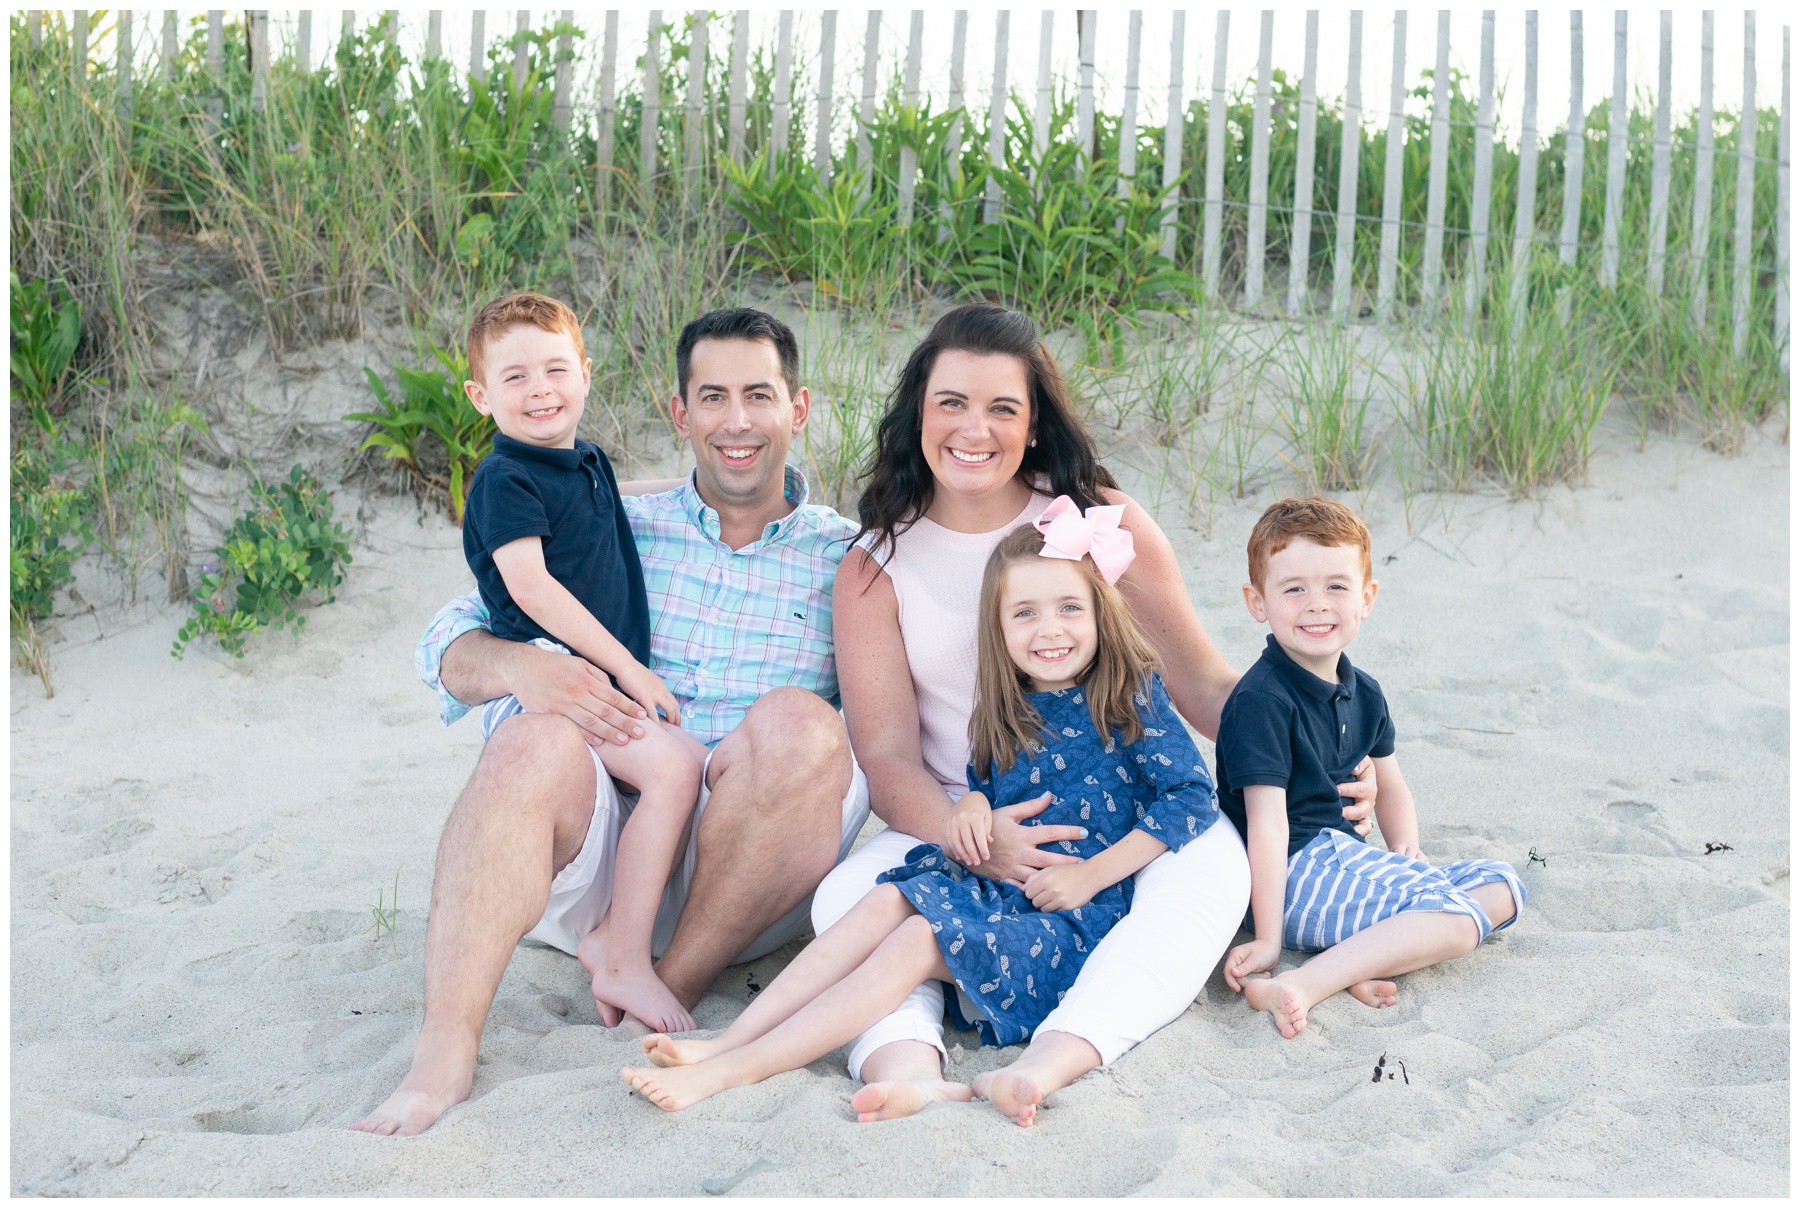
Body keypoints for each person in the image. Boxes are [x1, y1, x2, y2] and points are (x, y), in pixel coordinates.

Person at [815, 303, 1378, 1128]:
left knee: (1211, 876)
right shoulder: (874, 566)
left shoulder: (1095, 524)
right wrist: (974, 836)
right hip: (962, 817)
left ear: (1035, 423)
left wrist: (1325, 748)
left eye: (1003, 407)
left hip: (1128, 816)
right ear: (917, 413)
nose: (975, 428)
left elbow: (1203, 685)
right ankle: (910, 1066)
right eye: (952, 403)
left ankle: (1053, 1058)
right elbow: (890, 759)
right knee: (843, 901)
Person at [353, 308, 868, 1136]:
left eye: (758, 396)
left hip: (751, 868)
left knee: (804, 726)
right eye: (711, 397)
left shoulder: (849, 556)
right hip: (599, 854)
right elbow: (446, 642)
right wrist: (528, 668)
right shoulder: (616, 517)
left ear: (797, 410)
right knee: (531, 734)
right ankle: (443, 1052)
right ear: (680, 413)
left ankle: (671, 981)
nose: (736, 422)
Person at [617, 512, 1222, 1111]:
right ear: (998, 627)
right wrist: (978, 804)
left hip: (1065, 920)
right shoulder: (1007, 706)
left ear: (1098, 612)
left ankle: (730, 1073)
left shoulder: (1129, 695)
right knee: (882, 898)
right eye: (1025, 613)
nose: (1050, 630)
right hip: (1000, 892)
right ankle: (731, 1038)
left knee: (914, 939)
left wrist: (1094, 874)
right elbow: (986, 781)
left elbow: (1191, 796)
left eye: (1069, 608)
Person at [458, 292, 703, 1033]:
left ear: (587, 374)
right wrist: (630, 669)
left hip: (588, 675)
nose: (540, 391)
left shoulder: (577, 461)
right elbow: (530, 587)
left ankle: (623, 930)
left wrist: (702, 490)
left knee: (687, 762)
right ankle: (621, 952)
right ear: (480, 396)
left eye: (555, 370)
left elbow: (614, 500)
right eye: (516, 378)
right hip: (553, 674)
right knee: (676, 769)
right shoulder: (506, 482)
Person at [1216, 497, 1526, 1038]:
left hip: (1346, 861)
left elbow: (1391, 782)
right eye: (1294, 589)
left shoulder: (1366, 692)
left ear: (1367, 598)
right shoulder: (1261, 700)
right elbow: (1266, 826)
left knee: (1501, 884)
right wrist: (1267, 937)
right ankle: (1303, 983)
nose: (1317, 605)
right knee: (1455, 923)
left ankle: (1356, 961)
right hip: (1296, 874)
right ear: (1257, 601)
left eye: (1336, 587)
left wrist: (1406, 848)